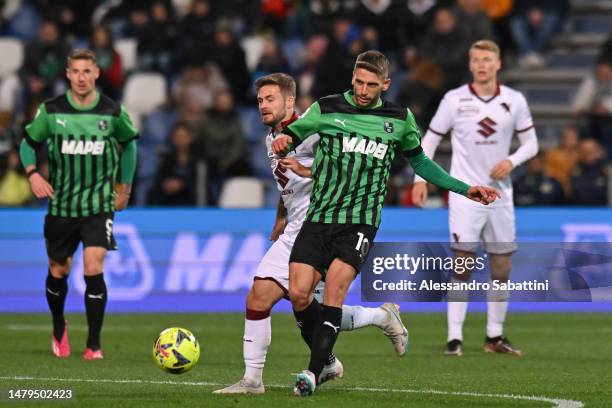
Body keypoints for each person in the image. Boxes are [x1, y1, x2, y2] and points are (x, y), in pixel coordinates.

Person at [271, 50, 500, 396]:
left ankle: (313, 372)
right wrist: (286, 138)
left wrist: (466, 189)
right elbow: (296, 133)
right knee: (299, 294)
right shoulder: (327, 108)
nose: (363, 90)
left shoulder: (399, 118)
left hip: (360, 223)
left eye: (372, 85)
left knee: (334, 289)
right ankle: (338, 352)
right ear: (352, 78)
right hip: (319, 217)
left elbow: (421, 164)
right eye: (359, 82)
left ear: (386, 84)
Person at [213, 73, 409, 395]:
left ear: (290, 102)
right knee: (267, 298)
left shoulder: (316, 129)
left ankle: (370, 325)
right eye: (260, 100)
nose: (263, 106)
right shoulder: (272, 138)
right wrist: (281, 214)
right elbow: (287, 181)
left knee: (312, 305)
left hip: (326, 224)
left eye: (270, 99)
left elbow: (347, 168)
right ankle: (255, 380)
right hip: (295, 226)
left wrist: (313, 172)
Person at [412, 40, 539, 357]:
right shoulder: (454, 100)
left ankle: (494, 336)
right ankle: (454, 338)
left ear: (498, 64)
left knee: (502, 266)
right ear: (470, 65)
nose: (482, 64)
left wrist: (512, 161)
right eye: (476, 60)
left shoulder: (514, 100)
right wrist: (419, 177)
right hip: (465, 194)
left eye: (487, 59)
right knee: (463, 262)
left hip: (501, 194)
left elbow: (532, 144)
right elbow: (429, 139)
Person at [19, 48, 138, 360]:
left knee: (92, 266)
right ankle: (59, 326)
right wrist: (32, 174)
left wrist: (124, 188)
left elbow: (130, 145)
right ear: (67, 74)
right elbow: (28, 144)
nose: (82, 78)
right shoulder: (51, 111)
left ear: (96, 74)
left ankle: (93, 345)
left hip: (99, 204)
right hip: (61, 206)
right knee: (58, 269)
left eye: (88, 71)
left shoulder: (112, 112)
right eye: (76, 71)